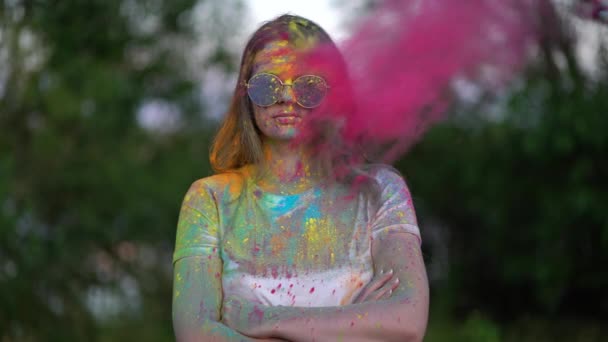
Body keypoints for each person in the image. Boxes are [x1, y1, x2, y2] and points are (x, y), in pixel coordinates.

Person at [172, 14, 429, 342]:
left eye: (308, 86)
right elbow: (195, 335)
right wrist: (351, 323)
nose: (286, 97)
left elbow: (407, 322)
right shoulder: (209, 199)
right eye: (268, 85)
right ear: (245, 94)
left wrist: (264, 318)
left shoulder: (379, 191)